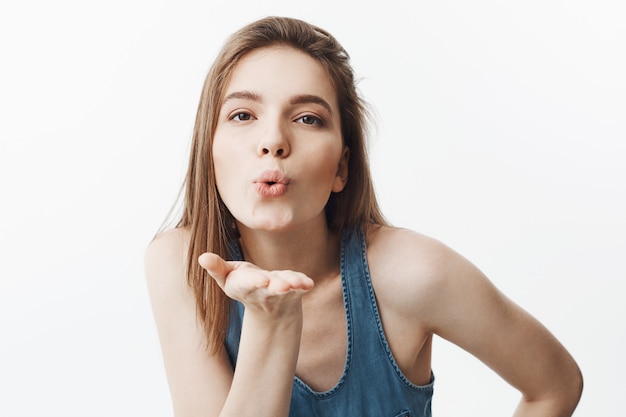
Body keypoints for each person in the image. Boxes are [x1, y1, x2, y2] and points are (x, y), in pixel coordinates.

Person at [145, 16, 583, 417]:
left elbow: (555, 386)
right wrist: (270, 321)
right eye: (243, 114)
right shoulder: (182, 266)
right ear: (210, 150)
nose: (273, 140)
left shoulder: (414, 274)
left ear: (341, 168)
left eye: (307, 119)